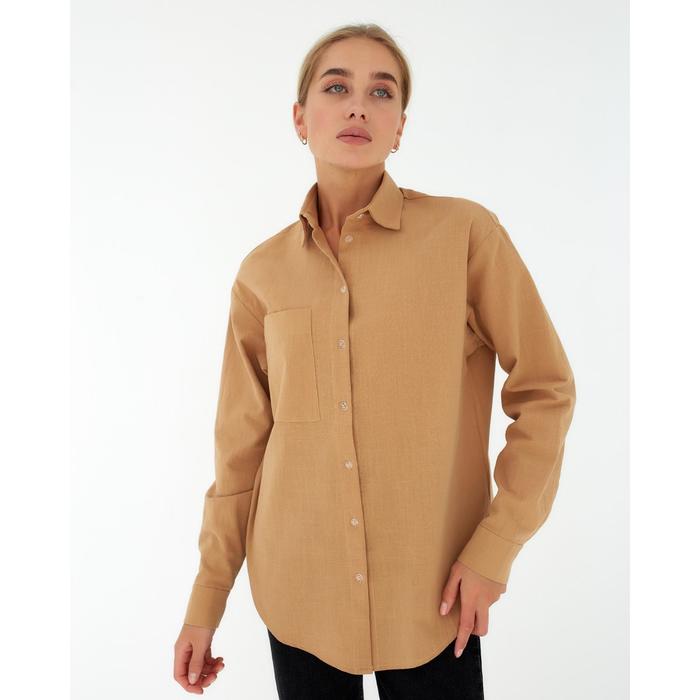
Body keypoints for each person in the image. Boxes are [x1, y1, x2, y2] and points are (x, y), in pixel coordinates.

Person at [173, 22, 576, 699]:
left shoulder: (464, 236)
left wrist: (496, 546)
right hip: (298, 591)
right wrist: (206, 598)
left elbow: (546, 390)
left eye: (381, 92)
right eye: (337, 88)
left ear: (400, 128)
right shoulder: (261, 275)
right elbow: (240, 450)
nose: (359, 106)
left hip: (435, 598)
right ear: (300, 119)